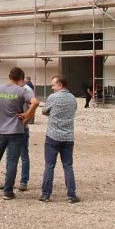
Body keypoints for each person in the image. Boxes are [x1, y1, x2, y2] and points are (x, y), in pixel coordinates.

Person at [0, 67, 39, 200]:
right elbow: (35, 102)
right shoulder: (22, 91)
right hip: (16, 130)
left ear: (9, 76)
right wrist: (28, 114)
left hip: (1, 130)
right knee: (12, 161)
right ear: (21, 78)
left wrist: (3, 111)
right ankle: (8, 191)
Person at [40, 75, 80, 203]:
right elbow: (73, 111)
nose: (52, 87)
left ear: (60, 85)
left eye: (53, 85)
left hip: (53, 135)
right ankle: (71, 194)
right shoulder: (73, 98)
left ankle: (46, 194)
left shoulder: (53, 97)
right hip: (68, 136)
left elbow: (44, 111)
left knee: (49, 166)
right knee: (68, 165)